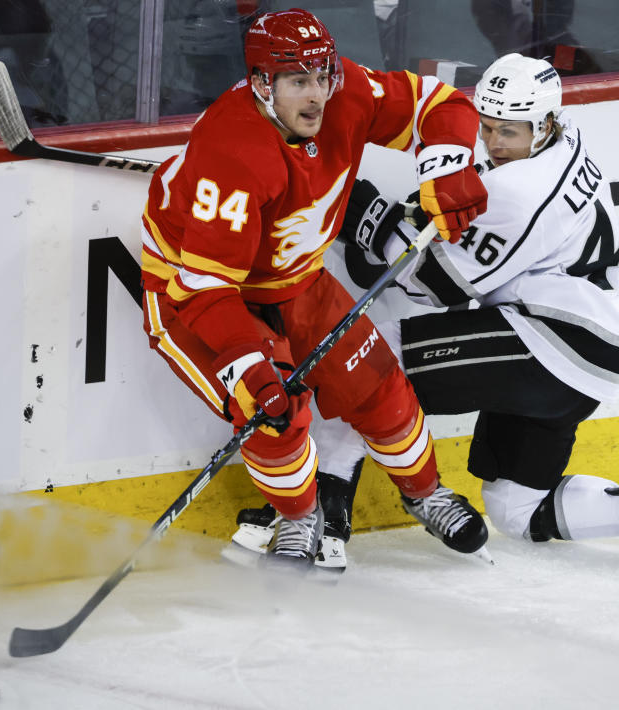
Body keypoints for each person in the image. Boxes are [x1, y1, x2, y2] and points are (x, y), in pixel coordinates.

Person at [232, 53, 619, 570]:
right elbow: (474, 214)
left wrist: (353, 208)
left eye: (509, 133)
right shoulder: (564, 145)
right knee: (516, 509)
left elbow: (436, 283)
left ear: (542, 126)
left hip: (552, 342)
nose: (494, 144)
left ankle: (323, 505)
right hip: (594, 357)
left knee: (366, 354)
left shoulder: (519, 191)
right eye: (488, 127)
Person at [140, 9, 491, 569]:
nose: (317, 96)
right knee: (274, 413)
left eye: (322, 76)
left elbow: (439, 104)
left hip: (298, 280)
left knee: (379, 387)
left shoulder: (345, 92)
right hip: (196, 297)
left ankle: (425, 492)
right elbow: (205, 288)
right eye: (298, 81)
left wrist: (448, 165)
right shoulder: (232, 151)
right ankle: (299, 515)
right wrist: (249, 367)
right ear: (261, 84)